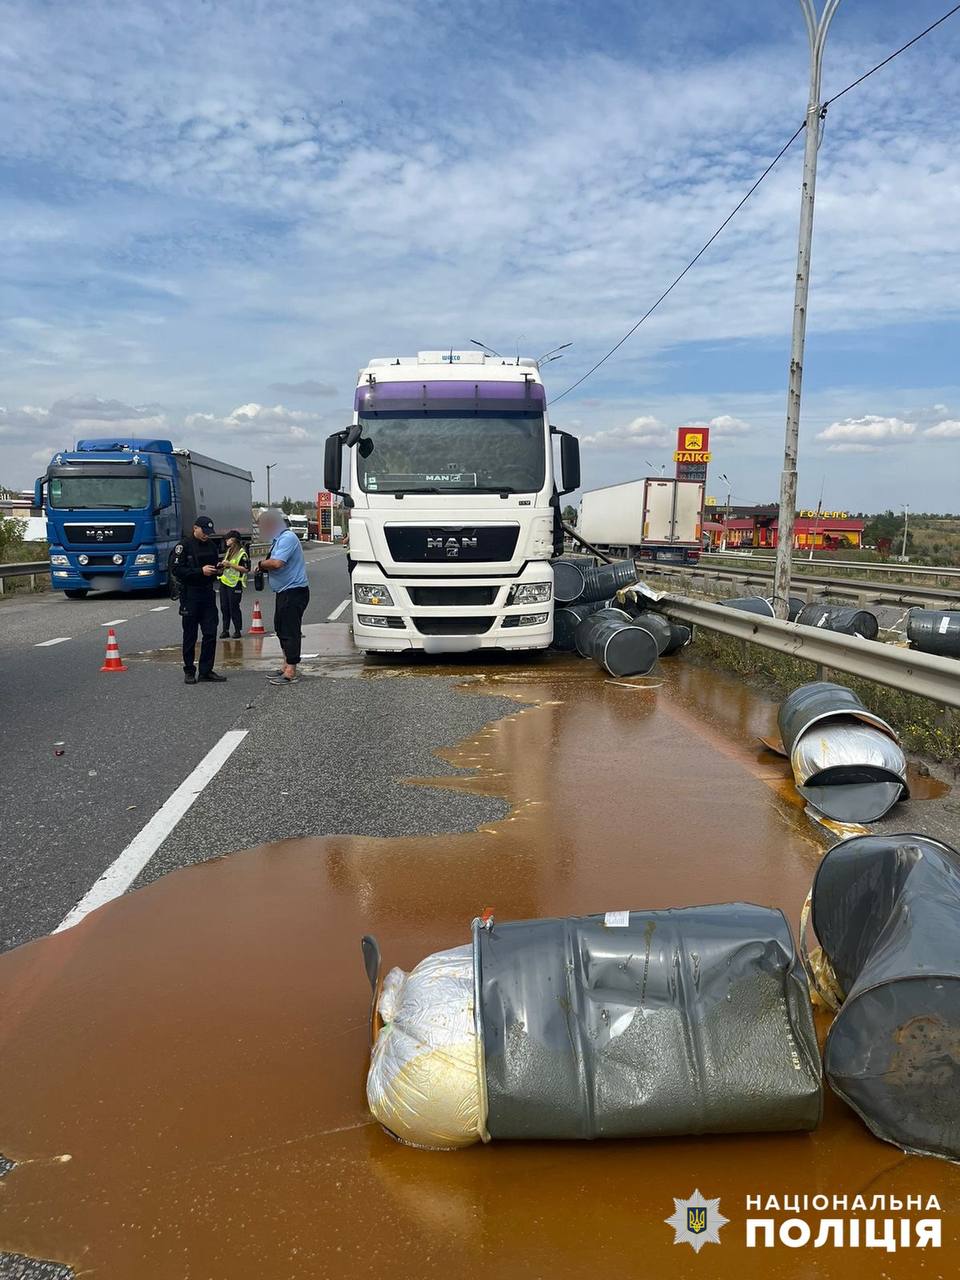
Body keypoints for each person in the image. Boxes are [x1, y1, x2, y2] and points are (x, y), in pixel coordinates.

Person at [255, 508, 309, 686]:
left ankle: (291, 671)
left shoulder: (287, 538)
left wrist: (261, 565)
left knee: (290, 631)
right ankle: (286, 664)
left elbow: (277, 563)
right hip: (284, 591)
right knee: (281, 628)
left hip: (294, 591)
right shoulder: (277, 540)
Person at [171, 516, 227, 684]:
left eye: (209, 533)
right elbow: (177, 570)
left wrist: (219, 570)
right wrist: (199, 572)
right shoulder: (184, 546)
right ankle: (189, 670)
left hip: (208, 593)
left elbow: (213, 567)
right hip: (190, 594)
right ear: (195, 528)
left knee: (210, 633)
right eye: (204, 532)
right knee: (190, 634)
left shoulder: (211, 545)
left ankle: (206, 670)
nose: (206, 535)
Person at [217, 530, 248, 638]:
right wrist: (221, 565)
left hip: (235, 583)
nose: (226, 540)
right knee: (224, 607)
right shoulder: (229, 551)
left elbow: (245, 569)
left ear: (234, 540)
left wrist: (230, 564)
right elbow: (227, 566)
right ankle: (225, 630)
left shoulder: (242, 553)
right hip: (224, 582)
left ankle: (237, 630)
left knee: (233, 607)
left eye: (228, 538)